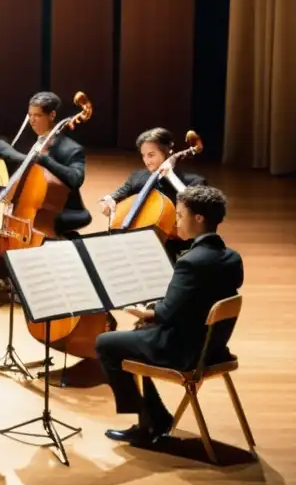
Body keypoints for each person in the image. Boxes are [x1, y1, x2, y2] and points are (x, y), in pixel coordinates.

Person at [95, 186, 243, 446]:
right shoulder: (232, 258)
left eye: (181, 215)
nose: (176, 221)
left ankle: (146, 421)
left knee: (106, 343)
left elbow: (166, 313)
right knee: (137, 336)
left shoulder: (191, 262)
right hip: (213, 347)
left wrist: (145, 312)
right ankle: (155, 418)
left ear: (198, 219)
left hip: (184, 352)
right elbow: (196, 302)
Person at [99, 127, 207, 259]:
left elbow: (195, 205)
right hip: (138, 243)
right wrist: (108, 200)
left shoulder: (195, 181)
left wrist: (171, 177)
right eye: (143, 155)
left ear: (168, 152)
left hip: (176, 246)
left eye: (151, 155)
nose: (146, 160)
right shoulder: (137, 177)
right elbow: (121, 192)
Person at [10, 91, 91, 236]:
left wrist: (46, 160)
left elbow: (76, 178)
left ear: (52, 115)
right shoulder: (36, 143)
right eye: (30, 115)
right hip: (33, 204)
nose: (32, 120)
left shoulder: (71, 148)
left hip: (61, 208)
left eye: (37, 115)